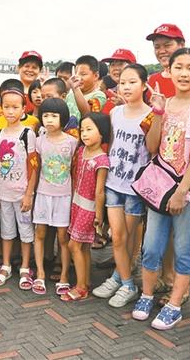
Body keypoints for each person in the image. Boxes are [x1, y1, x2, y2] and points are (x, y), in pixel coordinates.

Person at [132, 48, 190, 330]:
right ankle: (146, 295)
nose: (184, 73)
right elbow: (152, 146)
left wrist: (181, 192)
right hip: (160, 190)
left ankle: (175, 304)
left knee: (183, 249)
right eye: (178, 67)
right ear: (169, 71)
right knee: (151, 247)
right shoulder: (164, 104)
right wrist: (157, 113)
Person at [93, 64, 152, 308]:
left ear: (144, 85)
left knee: (127, 239)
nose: (126, 87)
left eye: (132, 82)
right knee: (117, 237)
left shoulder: (151, 115)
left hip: (135, 188)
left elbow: (153, 148)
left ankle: (120, 278)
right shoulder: (115, 113)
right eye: (123, 83)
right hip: (113, 184)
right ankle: (126, 283)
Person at [0, 86, 38, 289]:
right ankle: (6, 265)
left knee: (26, 231)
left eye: (15, 107)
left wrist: (29, 194)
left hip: (22, 194)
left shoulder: (28, 134)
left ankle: (25, 267)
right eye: (6, 106)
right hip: (3, 193)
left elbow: (34, 165)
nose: (10, 111)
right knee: (6, 230)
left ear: (23, 109)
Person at [32, 98, 78, 296]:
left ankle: (64, 276)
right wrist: (31, 193)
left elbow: (75, 171)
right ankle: (40, 273)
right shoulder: (39, 141)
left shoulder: (72, 142)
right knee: (40, 234)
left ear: (63, 118)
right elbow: (35, 169)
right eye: (46, 115)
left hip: (64, 196)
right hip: (43, 194)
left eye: (54, 116)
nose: (49, 120)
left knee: (62, 237)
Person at [61, 112, 110, 301]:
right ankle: (85, 282)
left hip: (89, 208)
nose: (84, 134)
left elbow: (100, 191)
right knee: (83, 247)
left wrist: (99, 215)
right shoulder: (81, 151)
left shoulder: (102, 160)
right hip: (76, 203)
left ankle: (81, 287)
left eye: (89, 129)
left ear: (102, 132)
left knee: (74, 245)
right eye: (82, 130)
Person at [146, 23, 190, 104]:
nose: (162, 51)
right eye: (157, 47)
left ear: (182, 45)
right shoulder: (152, 80)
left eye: (167, 45)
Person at [17, 50, 43, 115]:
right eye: (27, 66)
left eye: (34, 67)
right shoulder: (10, 90)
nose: (30, 70)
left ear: (40, 71)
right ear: (18, 68)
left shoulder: (44, 94)